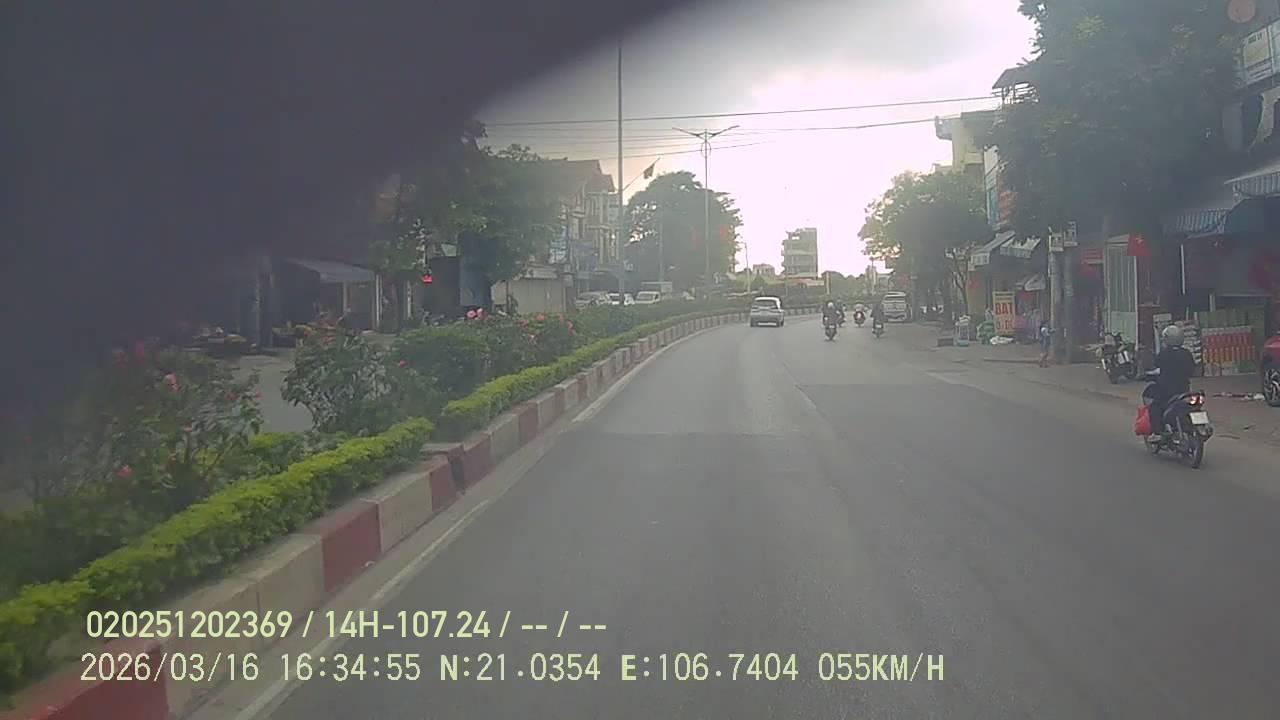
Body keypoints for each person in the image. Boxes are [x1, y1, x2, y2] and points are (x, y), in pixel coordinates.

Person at [1145, 324, 1197, 436]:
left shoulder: (1164, 354)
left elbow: (1156, 367)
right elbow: (1192, 370)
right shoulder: (1186, 353)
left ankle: (1158, 432)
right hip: (1184, 389)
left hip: (1167, 391)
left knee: (1155, 407)